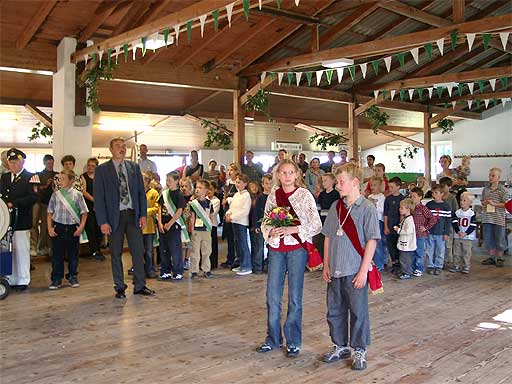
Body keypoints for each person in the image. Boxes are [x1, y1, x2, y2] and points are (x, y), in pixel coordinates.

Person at [257, 159, 321, 358]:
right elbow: (265, 222)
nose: (286, 176)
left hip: (296, 250)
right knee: (272, 296)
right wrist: (271, 233)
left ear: (297, 175)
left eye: (290, 172)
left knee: (294, 297)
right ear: (278, 175)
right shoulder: (273, 196)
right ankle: (273, 338)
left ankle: (293, 341)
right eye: (283, 172)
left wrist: (293, 229)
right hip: (277, 249)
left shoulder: (304, 196)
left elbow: (316, 224)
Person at [321, 164, 379, 370]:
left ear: (355, 182)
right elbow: (328, 236)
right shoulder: (337, 207)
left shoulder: (367, 208)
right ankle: (339, 345)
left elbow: (372, 240)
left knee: (358, 311)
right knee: (334, 310)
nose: (338, 186)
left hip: (355, 270)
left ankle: (360, 349)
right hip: (335, 268)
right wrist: (326, 264)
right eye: (337, 182)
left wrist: (364, 271)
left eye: (341, 182)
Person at [93, 137, 155, 298]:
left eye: (123, 146)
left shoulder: (133, 167)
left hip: (133, 215)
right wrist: (103, 221)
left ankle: (140, 285)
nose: (121, 149)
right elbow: (98, 198)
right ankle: (120, 287)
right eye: (118, 146)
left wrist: (142, 214)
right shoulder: (102, 170)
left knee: (138, 251)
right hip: (114, 218)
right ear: (111, 149)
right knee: (115, 253)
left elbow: (141, 193)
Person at [0, 148, 39, 290]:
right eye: (10, 162)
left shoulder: (31, 177)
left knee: (21, 249)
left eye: (15, 162)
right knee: (9, 249)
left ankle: (23, 279)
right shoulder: (4, 178)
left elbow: (34, 197)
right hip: (6, 221)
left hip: (22, 220)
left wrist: (15, 203)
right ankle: (10, 278)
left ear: (22, 162)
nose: (13, 165)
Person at [47, 170, 88, 289]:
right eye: (60, 179)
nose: (60, 181)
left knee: (73, 255)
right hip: (58, 227)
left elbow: (84, 213)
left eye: (64, 179)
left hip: (72, 228)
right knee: (57, 256)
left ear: (72, 180)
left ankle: (72, 276)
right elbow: (49, 212)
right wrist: (50, 227)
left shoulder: (78, 195)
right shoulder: (56, 194)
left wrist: (81, 227)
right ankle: (56, 279)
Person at [158, 171, 187, 281]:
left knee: (175, 249)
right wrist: (160, 223)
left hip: (174, 226)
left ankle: (178, 271)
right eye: (166, 180)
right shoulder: (165, 194)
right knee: (164, 249)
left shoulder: (179, 194)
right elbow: (160, 208)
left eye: (169, 180)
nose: (167, 183)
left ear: (176, 181)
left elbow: (179, 211)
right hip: (163, 225)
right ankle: (165, 270)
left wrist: (170, 223)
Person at [480, 167, 509, 268]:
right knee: (488, 238)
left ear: (498, 177)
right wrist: (485, 202)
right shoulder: (486, 189)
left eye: (493, 176)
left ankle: (500, 257)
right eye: (490, 175)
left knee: (499, 238)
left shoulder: (502, 190)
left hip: (498, 218)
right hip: (487, 217)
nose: (490, 177)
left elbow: (506, 204)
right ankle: (491, 257)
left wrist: (495, 203)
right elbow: (482, 201)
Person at [226, 174, 252, 276]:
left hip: (241, 223)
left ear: (245, 184)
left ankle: (247, 266)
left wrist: (232, 217)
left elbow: (245, 211)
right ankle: (241, 264)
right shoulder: (236, 195)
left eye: (239, 182)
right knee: (237, 244)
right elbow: (232, 207)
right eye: (236, 182)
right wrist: (228, 213)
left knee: (243, 244)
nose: (237, 184)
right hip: (234, 222)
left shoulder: (246, 195)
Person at [31, 154, 57, 257]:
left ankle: (49, 247)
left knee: (49, 226)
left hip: (54, 204)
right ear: (44, 163)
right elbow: (35, 190)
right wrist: (46, 185)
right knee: (43, 225)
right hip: (43, 203)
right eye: (48, 163)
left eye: (52, 163)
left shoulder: (57, 174)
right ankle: (40, 247)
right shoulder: (38, 175)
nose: (50, 165)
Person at [188, 179, 214, 279]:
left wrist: (211, 227)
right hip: (197, 230)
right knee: (195, 251)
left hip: (206, 229)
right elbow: (192, 216)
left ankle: (206, 269)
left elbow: (211, 216)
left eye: (200, 188)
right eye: (196, 187)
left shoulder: (209, 203)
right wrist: (192, 227)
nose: (197, 189)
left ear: (206, 190)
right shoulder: (193, 203)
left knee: (207, 250)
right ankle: (194, 270)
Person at [81, 157, 104, 261]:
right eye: (89, 165)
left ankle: (98, 249)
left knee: (99, 228)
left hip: (99, 206)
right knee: (90, 228)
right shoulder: (83, 177)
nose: (90, 167)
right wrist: (94, 200)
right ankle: (94, 251)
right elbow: (84, 192)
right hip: (88, 205)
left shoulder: (100, 176)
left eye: (92, 166)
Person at [410, 187, 437, 277]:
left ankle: (419, 268)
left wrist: (426, 227)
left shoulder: (423, 208)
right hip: (411, 234)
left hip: (420, 235)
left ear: (420, 197)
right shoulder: (411, 208)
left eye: (414, 196)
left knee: (419, 252)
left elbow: (432, 219)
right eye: (411, 196)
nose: (412, 198)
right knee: (412, 252)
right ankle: (413, 267)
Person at [425, 185, 452, 275]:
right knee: (429, 249)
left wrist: (446, 232)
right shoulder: (429, 205)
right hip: (430, 231)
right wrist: (426, 229)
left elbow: (448, 221)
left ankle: (438, 265)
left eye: (436, 193)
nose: (434, 194)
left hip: (441, 232)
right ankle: (430, 265)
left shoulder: (446, 206)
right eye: (433, 193)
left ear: (442, 194)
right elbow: (426, 219)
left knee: (440, 250)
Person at [220, 163, 241, 269]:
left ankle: (237, 259)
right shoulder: (227, 183)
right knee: (229, 236)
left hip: (236, 211)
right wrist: (224, 200)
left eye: (231, 170)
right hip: (227, 210)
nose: (229, 172)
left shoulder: (238, 183)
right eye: (228, 170)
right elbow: (225, 195)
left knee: (235, 237)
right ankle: (230, 258)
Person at [450, 192, 477, 274]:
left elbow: (473, 225)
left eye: (464, 200)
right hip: (458, 235)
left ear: (470, 202)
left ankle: (466, 266)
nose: (462, 202)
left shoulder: (471, 213)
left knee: (467, 252)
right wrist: (458, 231)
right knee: (456, 252)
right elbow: (454, 222)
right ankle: (456, 265)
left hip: (467, 237)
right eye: (461, 200)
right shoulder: (457, 212)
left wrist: (466, 233)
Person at [315, 173, 339, 258]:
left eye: (326, 181)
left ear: (333, 181)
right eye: (322, 181)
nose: (323, 183)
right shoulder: (321, 194)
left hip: (332, 221)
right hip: (322, 220)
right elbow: (318, 207)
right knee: (321, 240)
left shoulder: (336, 194)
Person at [251, 174, 272, 274]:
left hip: (272, 225)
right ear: (262, 184)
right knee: (259, 247)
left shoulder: (274, 197)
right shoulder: (260, 198)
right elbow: (255, 212)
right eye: (267, 183)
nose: (269, 186)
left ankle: (269, 266)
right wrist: (255, 225)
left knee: (271, 247)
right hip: (261, 225)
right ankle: (258, 267)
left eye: (271, 183)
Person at [383, 177, 404, 274]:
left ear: (398, 187)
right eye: (389, 186)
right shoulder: (388, 199)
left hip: (399, 226)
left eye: (392, 187)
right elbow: (385, 214)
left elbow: (403, 214)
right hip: (390, 226)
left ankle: (400, 263)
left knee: (398, 245)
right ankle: (394, 263)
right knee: (390, 246)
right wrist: (386, 226)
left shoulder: (402, 199)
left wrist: (401, 226)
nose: (390, 189)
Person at [142, 172, 159, 279]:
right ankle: (140, 269)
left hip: (149, 226)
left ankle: (150, 269)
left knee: (149, 250)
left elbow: (157, 207)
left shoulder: (154, 193)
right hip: (138, 227)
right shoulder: (136, 192)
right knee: (139, 250)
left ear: (148, 181)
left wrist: (144, 211)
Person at [439, 177, 459, 269]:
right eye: (441, 186)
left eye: (444, 186)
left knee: (448, 244)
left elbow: (455, 211)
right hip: (439, 224)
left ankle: (448, 261)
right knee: (440, 243)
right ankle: (440, 260)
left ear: (449, 187)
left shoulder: (452, 198)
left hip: (448, 224)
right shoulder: (439, 197)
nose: (442, 188)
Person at [395, 198, 417, 280]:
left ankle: (407, 272)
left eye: (401, 208)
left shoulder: (409, 220)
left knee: (405, 259)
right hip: (404, 243)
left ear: (408, 209)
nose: (399, 209)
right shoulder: (406, 219)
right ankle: (405, 271)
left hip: (407, 245)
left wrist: (398, 230)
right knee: (403, 258)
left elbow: (408, 231)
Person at [368, 176, 386, 271]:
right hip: (371, 221)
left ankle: (380, 264)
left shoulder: (381, 197)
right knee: (371, 242)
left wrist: (374, 205)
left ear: (380, 186)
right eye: (371, 185)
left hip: (379, 221)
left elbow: (382, 210)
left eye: (375, 185)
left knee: (378, 243)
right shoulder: (370, 197)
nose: (372, 187)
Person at [207, 182, 220, 270]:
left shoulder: (216, 201)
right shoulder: (203, 199)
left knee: (213, 245)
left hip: (212, 224)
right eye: (207, 189)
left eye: (211, 189)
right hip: (204, 225)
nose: (209, 191)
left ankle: (213, 263)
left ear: (215, 190)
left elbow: (212, 213)